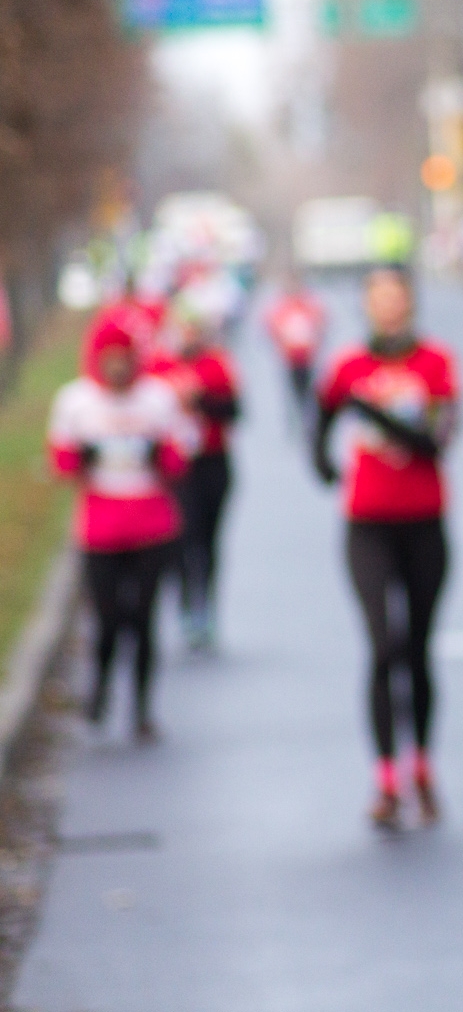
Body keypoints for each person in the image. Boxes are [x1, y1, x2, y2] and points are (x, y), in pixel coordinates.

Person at [314, 267, 457, 830]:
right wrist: (322, 460)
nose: (389, 308)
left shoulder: (435, 365)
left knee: (417, 650)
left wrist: (368, 411)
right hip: (366, 528)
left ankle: (422, 766)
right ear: (367, 307)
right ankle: (385, 780)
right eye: (378, 299)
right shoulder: (348, 366)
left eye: (397, 298)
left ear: (411, 304)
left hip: (424, 526)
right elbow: (320, 416)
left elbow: (434, 441)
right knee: (381, 647)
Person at [48, 319, 196, 741]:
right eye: (109, 360)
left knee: (143, 620)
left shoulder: (157, 399)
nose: (118, 368)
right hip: (100, 527)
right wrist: (82, 457)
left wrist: (156, 454)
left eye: (124, 359)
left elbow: (180, 459)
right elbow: (60, 462)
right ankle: (100, 689)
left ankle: (143, 708)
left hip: (152, 525)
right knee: (108, 618)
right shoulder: (76, 401)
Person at [151, 305, 241, 652]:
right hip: (176, 468)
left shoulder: (216, 364)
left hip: (213, 462)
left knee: (208, 540)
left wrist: (200, 398)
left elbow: (234, 411)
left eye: (194, 329)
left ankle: (208, 605)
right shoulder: (158, 367)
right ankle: (188, 603)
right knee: (183, 539)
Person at [264, 276, 325, 426]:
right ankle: (296, 418)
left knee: (308, 389)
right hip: (290, 358)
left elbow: (321, 322)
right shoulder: (282, 308)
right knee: (293, 389)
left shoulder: (308, 306)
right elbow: (271, 326)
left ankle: (307, 415)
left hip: (307, 357)